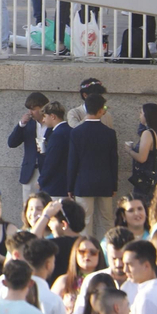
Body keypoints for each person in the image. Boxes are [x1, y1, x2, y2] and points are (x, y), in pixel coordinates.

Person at [66, 95, 117, 240]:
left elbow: (72, 161)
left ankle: (84, 250)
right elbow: (114, 161)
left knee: (85, 221)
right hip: (105, 183)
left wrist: (70, 187)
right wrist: (114, 185)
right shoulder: (109, 133)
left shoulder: (76, 132)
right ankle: (107, 252)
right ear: (101, 111)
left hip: (83, 183)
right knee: (107, 221)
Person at [122, 105, 157, 207]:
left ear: (147, 116)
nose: (139, 115)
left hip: (146, 182)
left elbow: (142, 158)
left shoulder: (148, 133)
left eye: (141, 113)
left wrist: (129, 150)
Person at [8, 95, 49, 207]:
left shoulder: (51, 123)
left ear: (42, 108)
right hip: (30, 171)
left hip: (47, 171)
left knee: (48, 206)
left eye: (33, 109)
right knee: (28, 207)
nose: (30, 112)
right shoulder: (28, 123)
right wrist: (21, 124)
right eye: (29, 109)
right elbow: (12, 143)